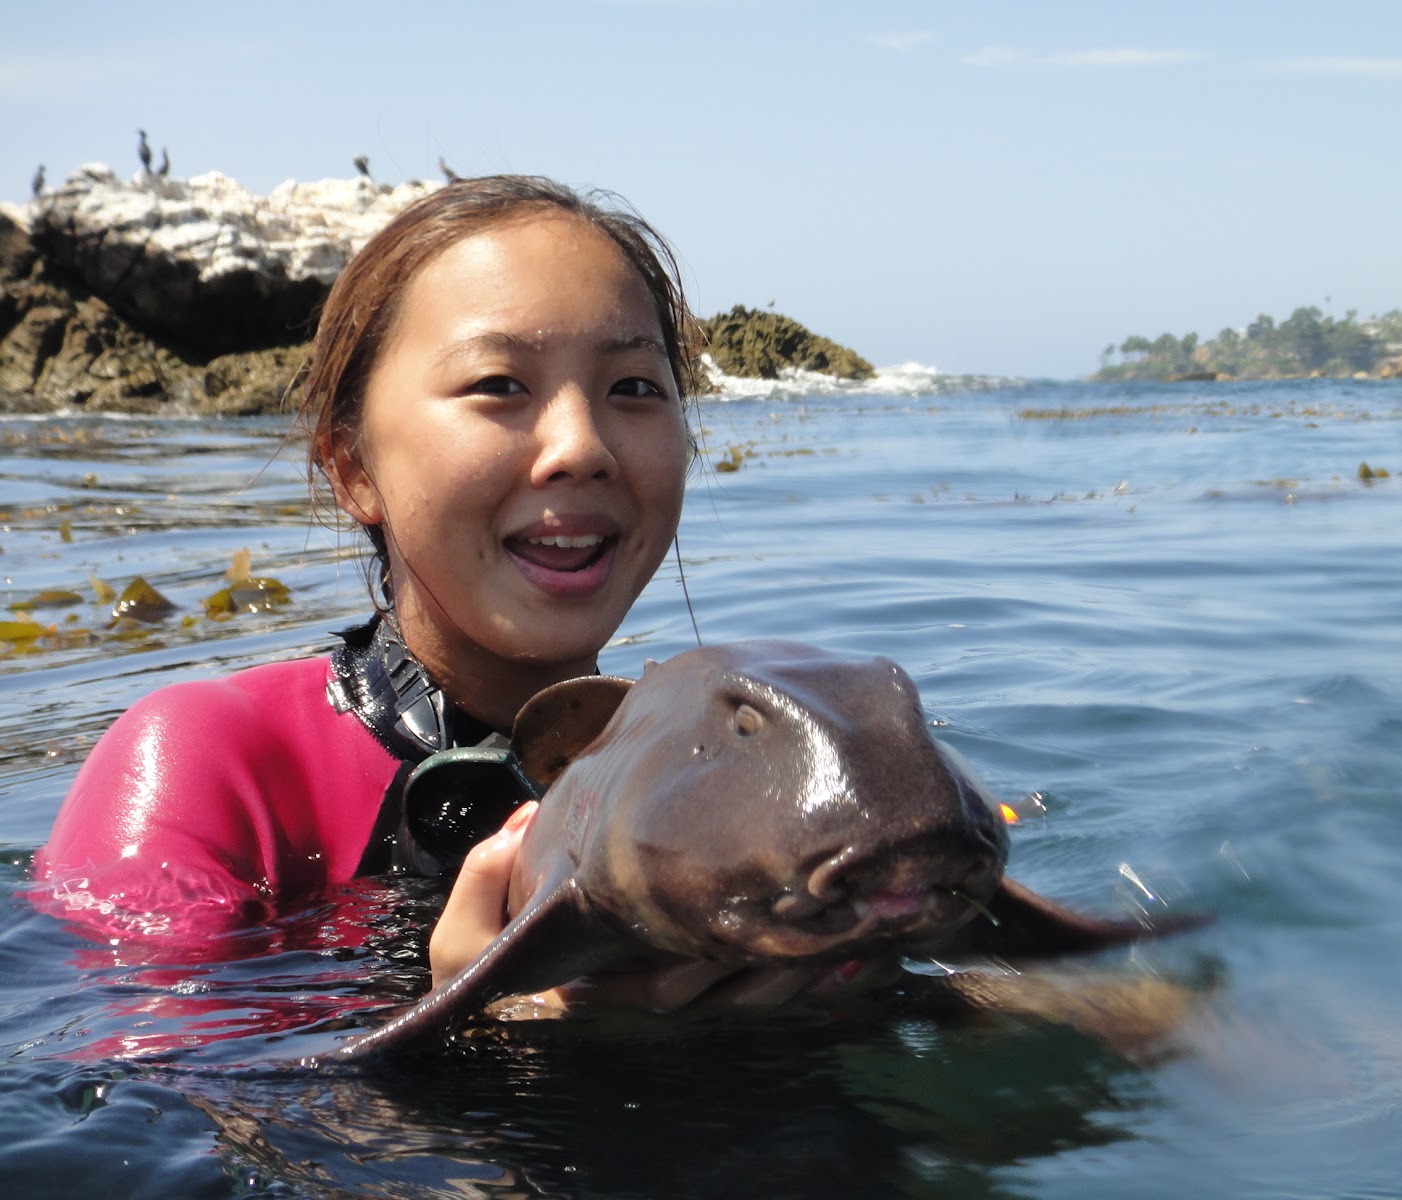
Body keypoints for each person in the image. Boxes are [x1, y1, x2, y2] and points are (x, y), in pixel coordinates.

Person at [36, 175, 878, 1013]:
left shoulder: (729, 770)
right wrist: (488, 1042)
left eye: (634, 389)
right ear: (354, 466)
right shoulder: (209, 766)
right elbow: (138, 1121)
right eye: (498, 385)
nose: (581, 447)